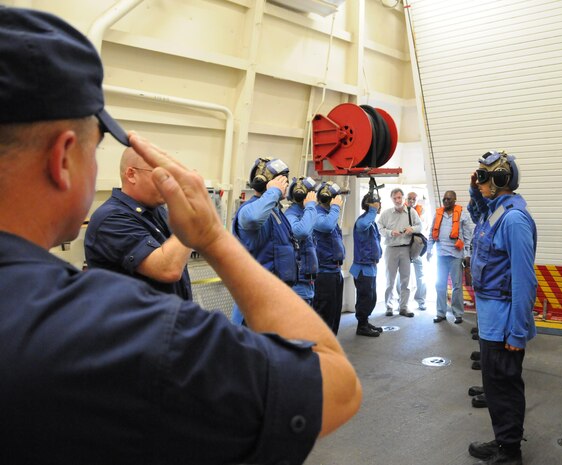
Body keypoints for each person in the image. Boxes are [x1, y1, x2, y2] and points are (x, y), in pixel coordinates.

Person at [0, 8, 361, 465]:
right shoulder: (121, 332)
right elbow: (336, 385)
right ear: (63, 158)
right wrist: (211, 234)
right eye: (94, 150)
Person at [466, 150, 537, 465]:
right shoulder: (497, 211)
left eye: (484, 177)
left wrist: (517, 331)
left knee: (505, 387)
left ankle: (511, 453)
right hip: (491, 319)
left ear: (499, 181)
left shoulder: (514, 220)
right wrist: (474, 189)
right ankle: (503, 440)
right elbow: (479, 212)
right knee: (494, 386)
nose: (479, 182)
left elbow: (525, 281)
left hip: (505, 322)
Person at [85, 147, 193, 300]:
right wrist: (190, 217)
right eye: (161, 175)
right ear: (131, 175)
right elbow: (168, 268)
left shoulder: (158, 211)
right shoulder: (111, 219)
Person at [230, 157, 297, 324]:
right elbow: (253, 218)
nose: (285, 185)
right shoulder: (248, 210)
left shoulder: (276, 212)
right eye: (281, 181)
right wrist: (273, 192)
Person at [426, 190, 473, 324]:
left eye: (449, 199)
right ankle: (440, 313)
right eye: (444, 199)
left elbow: (468, 237)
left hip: (456, 256)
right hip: (440, 255)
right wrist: (429, 250)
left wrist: (467, 255)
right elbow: (431, 234)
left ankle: (458, 313)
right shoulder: (438, 214)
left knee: (457, 286)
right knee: (439, 284)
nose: (446, 201)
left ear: (455, 200)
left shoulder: (463, 215)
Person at [377, 188, 421, 317]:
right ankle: (389, 307)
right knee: (390, 279)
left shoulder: (411, 212)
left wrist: (411, 229)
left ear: (403, 198)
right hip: (391, 249)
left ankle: (404, 307)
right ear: (391, 199)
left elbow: (420, 226)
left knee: (405, 280)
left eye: (399, 197)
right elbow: (379, 227)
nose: (397, 200)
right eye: (395, 198)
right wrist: (390, 233)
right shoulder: (386, 213)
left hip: (406, 249)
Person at [312, 181, 345, 334]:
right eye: (336, 198)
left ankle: (331, 348)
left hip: (335, 271)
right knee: (324, 314)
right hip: (324, 273)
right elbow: (326, 226)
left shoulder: (328, 213)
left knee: (334, 313)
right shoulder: (317, 214)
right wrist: (336, 207)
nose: (339, 200)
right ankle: (322, 352)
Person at [350, 193, 384, 337]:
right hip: (362, 268)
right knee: (365, 298)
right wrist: (372, 210)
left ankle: (365, 321)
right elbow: (363, 225)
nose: (379, 207)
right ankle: (361, 326)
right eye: (377, 204)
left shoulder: (372, 222)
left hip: (370, 266)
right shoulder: (363, 221)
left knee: (371, 297)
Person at [285, 176, 319, 304]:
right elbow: (301, 232)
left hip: (307, 282)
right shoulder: (291, 215)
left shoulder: (306, 214)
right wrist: (310, 205)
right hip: (297, 285)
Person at [394, 191, 427, 310]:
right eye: (409, 198)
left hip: (416, 248)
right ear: (405, 199)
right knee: (401, 276)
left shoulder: (421, 212)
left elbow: (423, 227)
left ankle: (421, 300)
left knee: (420, 275)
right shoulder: (398, 211)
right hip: (403, 247)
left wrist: (413, 228)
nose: (412, 200)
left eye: (414, 199)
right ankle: (401, 301)